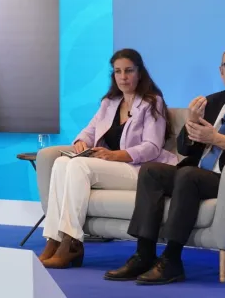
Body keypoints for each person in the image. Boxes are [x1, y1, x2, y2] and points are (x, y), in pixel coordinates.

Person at [104, 46, 225, 285]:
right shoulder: (211, 101)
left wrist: (217, 139)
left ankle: (171, 260)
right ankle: (144, 254)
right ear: (221, 72)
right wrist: (190, 122)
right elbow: (184, 149)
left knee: (189, 175)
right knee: (151, 171)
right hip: (196, 174)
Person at [36, 48, 180, 269]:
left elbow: (152, 147)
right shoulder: (110, 103)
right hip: (112, 166)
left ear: (139, 73)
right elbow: (89, 131)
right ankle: (54, 239)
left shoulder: (152, 102)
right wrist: (80, 142)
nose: (123, 77)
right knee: (62, 162)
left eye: (129, 71)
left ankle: (72, 242)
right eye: (118, 71)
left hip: (140, 169)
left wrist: (116, 155)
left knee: (79, 165)